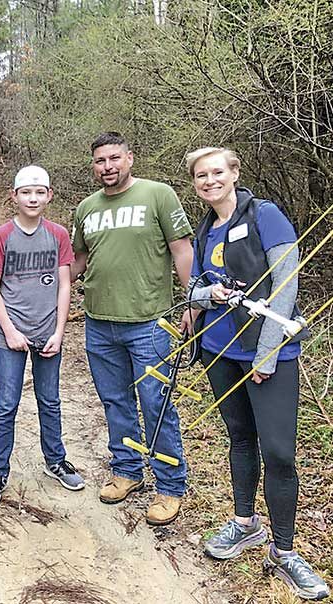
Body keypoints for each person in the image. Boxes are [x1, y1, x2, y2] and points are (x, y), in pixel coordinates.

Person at [186, 147, 329, 601]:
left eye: (216, 172)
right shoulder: (206, 226)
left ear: (234, 173)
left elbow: (286, 285)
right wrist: (209, 292)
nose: (209, 181)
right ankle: (245, 523)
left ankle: (284, 551)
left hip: (268, 356)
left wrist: (266, 355)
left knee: (280, 452)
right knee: (239, 437)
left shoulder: (266, 215)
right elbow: (194, 288)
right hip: (218, 350)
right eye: (200, 176)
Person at [70, 132, 194, 525]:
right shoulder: (86, 208)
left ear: (130, 159)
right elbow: (78, 262)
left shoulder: (158, 195)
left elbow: (182, 251)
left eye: (114, 159)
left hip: (150, 323)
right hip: (99, 324)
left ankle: (170, 486)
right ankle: (126, 471)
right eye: (100, 161)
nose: (107, 167)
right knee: (114, 401)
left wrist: (192, 304)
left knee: (157, 404)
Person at [0, 165, 85, 505]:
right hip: (11, 336)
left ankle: (55, 460)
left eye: (40, 192)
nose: (33, 198)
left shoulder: (57, 235)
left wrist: (59, 331)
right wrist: (9, 330)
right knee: (6, 404)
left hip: (47, 333)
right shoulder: (1, 236)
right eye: (26, 192)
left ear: (49, 195)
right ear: (15, 196)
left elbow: (65, 284)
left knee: (49, 401)